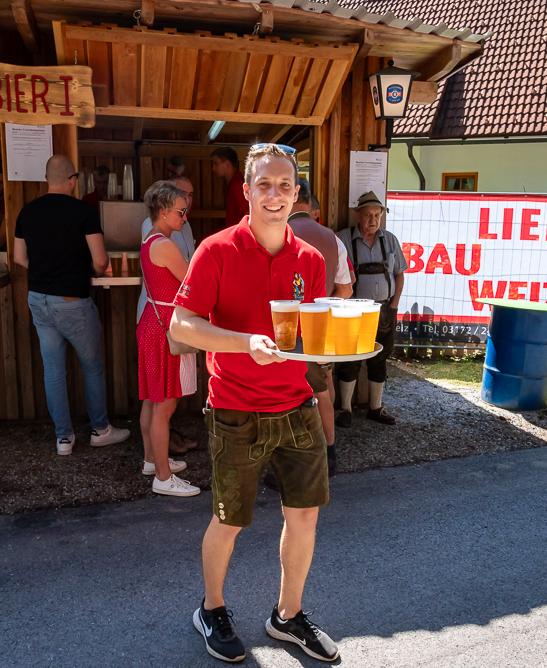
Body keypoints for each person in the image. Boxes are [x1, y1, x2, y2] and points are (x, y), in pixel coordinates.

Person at [171, 144, 339, 663]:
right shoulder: (216, 250)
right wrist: (246, 343)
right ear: (246, 191)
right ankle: (211, 609)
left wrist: (333, 346)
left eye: (285, 185)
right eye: (264, 184)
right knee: (229, 520)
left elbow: (310, 331)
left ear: (296, 193)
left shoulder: (310, 259)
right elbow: (181, 326)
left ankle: (288, 616)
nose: (275, 195)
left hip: (297, 406)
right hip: (236, 409)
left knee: (305, 518)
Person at [13, 155, 131, 455]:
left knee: (53, 371)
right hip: (72, 302)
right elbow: (100, 260)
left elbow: (18, 257)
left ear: (46, 179)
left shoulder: (27, 211)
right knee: (91, 368)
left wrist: (46, 273)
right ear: (73, 180)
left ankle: (63, 438)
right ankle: (100, 430)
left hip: (38, 299)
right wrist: (84, 271)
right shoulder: (83, 211)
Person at [137, 181, 200, 497]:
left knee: (153, 399)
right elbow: (192, 282)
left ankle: (152, 460)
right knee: (165, 405)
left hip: (152, 322)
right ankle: (163, 477)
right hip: (165, 328)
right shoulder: (164, 244)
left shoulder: (150, 239)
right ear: (163, 211)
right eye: (180, 211)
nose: (184, 217)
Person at [287, 177, 352, 477]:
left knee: (292, 394)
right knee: (324, 387)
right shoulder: (332, 238)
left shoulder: (279, 233)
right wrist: (324, 308)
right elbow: (346, 289)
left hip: (287, 330)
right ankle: (329, 451)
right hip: (324, 327)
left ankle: (305, 460)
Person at [335, 191, 407, 428]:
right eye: (368, 215)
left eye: (377, 215)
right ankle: (345, 409)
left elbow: (399, 274)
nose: (373, 220)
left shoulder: (390, 240)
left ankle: (375, 408)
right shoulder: (343, 239)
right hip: (352, 312)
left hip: (384, 310)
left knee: (380, 358)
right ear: (358, 215)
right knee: (350, 359)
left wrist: (394, 305)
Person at [210, 146, 249, 229]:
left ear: (227, 163)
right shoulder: (234, 183)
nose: (213, 168)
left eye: (216, 164)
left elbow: (248, 213)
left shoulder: (238, 185)